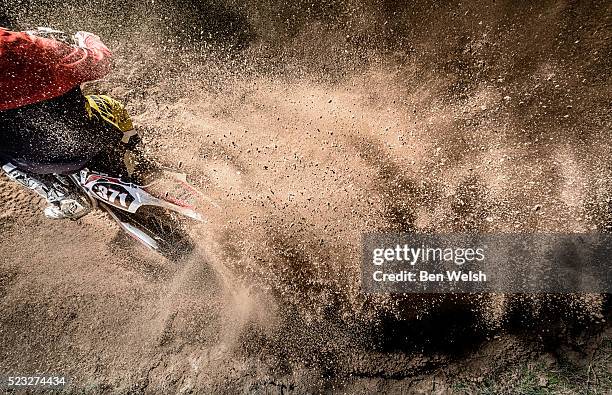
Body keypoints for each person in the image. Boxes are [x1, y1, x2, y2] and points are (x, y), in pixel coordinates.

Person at [0, 26, 137, 219]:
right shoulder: (25, 47)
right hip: (90, 137)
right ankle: (140, 158)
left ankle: (56, 192)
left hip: (36, 162)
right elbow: (101, 63)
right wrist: (89, 39)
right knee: (109, 104)